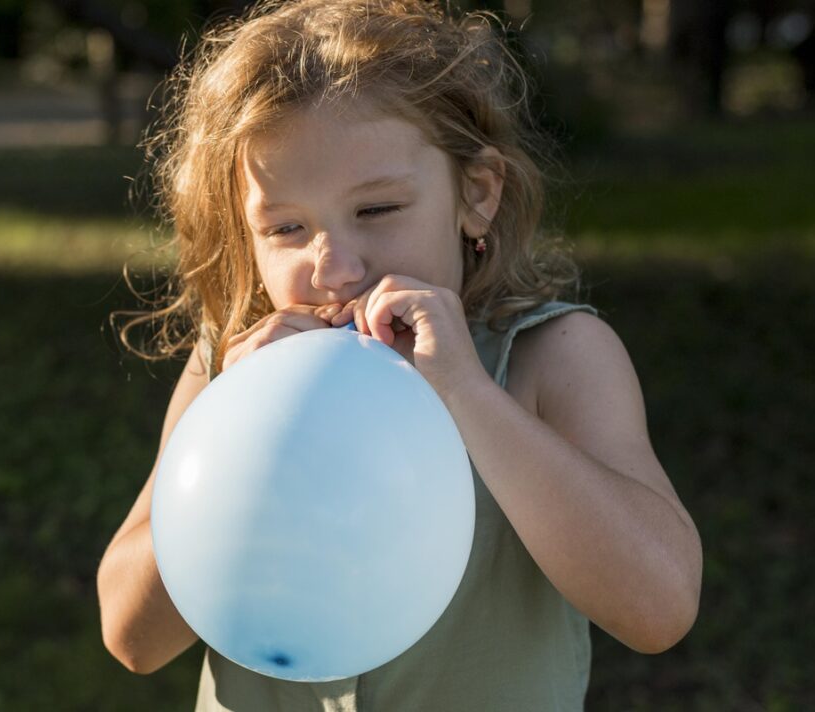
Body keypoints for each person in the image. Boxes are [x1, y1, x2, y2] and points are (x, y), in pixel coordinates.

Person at [97, 0, 703, 709]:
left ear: (476, 193)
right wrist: (233, 429)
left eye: (377, 210)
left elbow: (659, 607)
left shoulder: (552, 356)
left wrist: (469, 394)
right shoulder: (230, 370)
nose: (334, 267)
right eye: (287, 227)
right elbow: (133, 638)